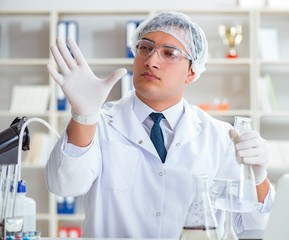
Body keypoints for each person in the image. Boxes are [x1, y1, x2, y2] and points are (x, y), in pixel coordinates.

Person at [45, 11, 274, 238]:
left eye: (170, 53)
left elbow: (253, 225)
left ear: (192, 72)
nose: (151, 61)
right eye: (145, 48)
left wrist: (258, 178)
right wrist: (83, 116)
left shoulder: (221, 137)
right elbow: (64, 185)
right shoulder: (98, 123)